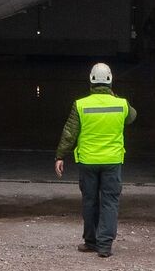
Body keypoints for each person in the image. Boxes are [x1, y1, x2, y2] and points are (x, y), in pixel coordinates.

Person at [53, 62, 135, 258]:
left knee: (90, 201)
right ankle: (105, 245)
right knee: (109, 202)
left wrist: (60, 156)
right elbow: (132, 117)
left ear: (90, 80)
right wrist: (115, 97)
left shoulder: (81, 104)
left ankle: (90, 242)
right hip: (112, 161)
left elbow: (69, 133)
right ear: (110, 81)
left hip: (88, 161)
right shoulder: (121, 104)